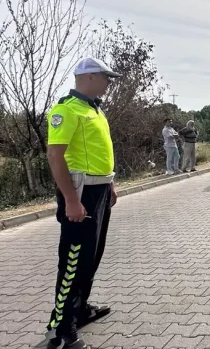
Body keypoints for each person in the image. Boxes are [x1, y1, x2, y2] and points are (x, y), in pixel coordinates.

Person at [44, 57, 121, 349]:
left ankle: (79, 310)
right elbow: (55, 156)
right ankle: (61, 332)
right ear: (88, 77)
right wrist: (71, 201)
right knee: (73, 263)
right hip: (80, 195)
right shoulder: (66, 110)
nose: (108, 83)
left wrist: (110, 184)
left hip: (99, 191)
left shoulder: (95, 110)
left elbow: (99, 153)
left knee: (91, 257)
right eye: (106, 77)